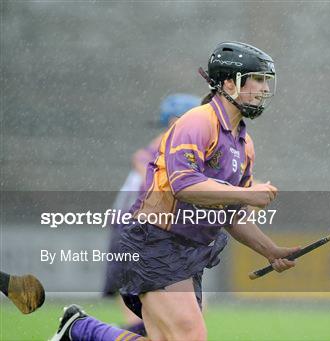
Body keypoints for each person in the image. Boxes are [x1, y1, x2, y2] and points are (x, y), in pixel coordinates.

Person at [52, 41, 299, 341]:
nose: (263, 88)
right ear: (229, 83)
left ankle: (79, 328)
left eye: (266, 81)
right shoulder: (197, 121)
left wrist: (270, 251)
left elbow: (232, 215)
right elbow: (184, 184)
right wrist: (247, 195)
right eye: (257, 79)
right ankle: (80, 329)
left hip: (188, 252)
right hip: (155, 242)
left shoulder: (244, 144)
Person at [102, 93, 200, 335]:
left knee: (162, 322)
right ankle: (84, 329)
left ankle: (83, 328)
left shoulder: (169, 144)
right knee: (147, 319)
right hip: (137, 226)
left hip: (137, 224)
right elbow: (143, 163)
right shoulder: (171, 139)